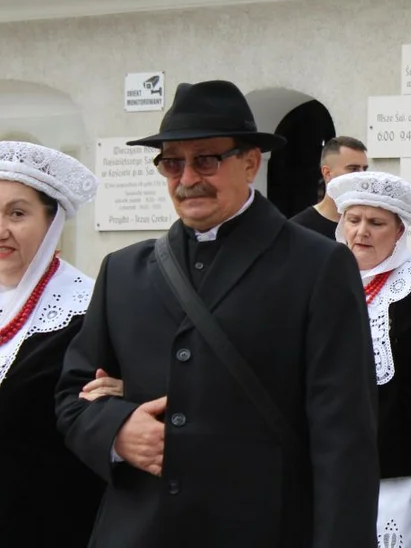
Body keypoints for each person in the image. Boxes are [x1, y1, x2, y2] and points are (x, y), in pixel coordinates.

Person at [55, 80, 380, 547]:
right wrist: (116, 430)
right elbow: (72, 395)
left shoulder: (318, 265)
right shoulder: (124, 271)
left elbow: (343, 436)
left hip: (264, 528)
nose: (187, 178)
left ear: (250, 162)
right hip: (142, 531)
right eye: (172, 162)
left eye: (206, 158)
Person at [326, 171, 411, 548]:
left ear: (399, 231)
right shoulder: (325, 283)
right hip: (342, 460)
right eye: (353, 220)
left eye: (376, 222)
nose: (361, 231)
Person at [0, 141, 103, 546]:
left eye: (17, 213)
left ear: (52, 220)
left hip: (46, 525)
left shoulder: (87, 310)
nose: (1, 230)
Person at [291, 136, 368, 240]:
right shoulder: (298, 229)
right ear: (327, 173)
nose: (362, 176)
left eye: (365, 169)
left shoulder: (370, 227)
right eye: (353, 169)